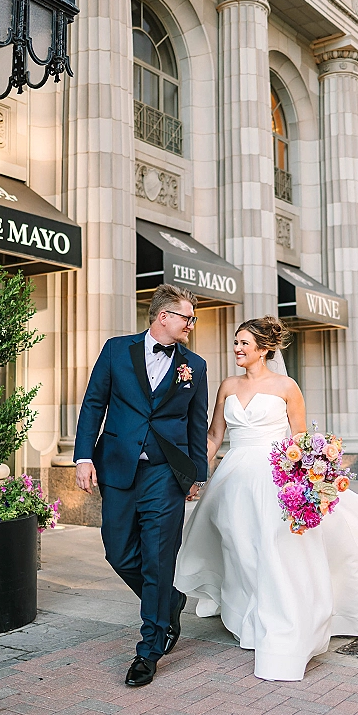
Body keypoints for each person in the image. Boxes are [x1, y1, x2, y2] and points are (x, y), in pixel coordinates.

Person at [174, 316, 358, 682]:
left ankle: (282, 620)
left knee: (276, 549)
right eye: (236, 342)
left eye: (244, 342)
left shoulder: (287, 386)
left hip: (273, 477)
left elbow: (301, 441)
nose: (237, 348)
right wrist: (196, 473)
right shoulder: (227, 385)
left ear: (263, 348)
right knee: (238, 547)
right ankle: (248, 613)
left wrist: (307, 486)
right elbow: (213, 436)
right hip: (232, 479)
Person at [74, 284, 208, 687]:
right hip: (117, 468)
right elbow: (94, 402)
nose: (190, 324)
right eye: (187, 317)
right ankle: (170, 602)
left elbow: (196, 425)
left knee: (157, 558)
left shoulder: (195, 366)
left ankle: (149, 649)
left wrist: (195, 475)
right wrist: (82, 458)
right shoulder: (117, 350)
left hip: (166, 474)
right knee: (118, 552)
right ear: (163, 316)